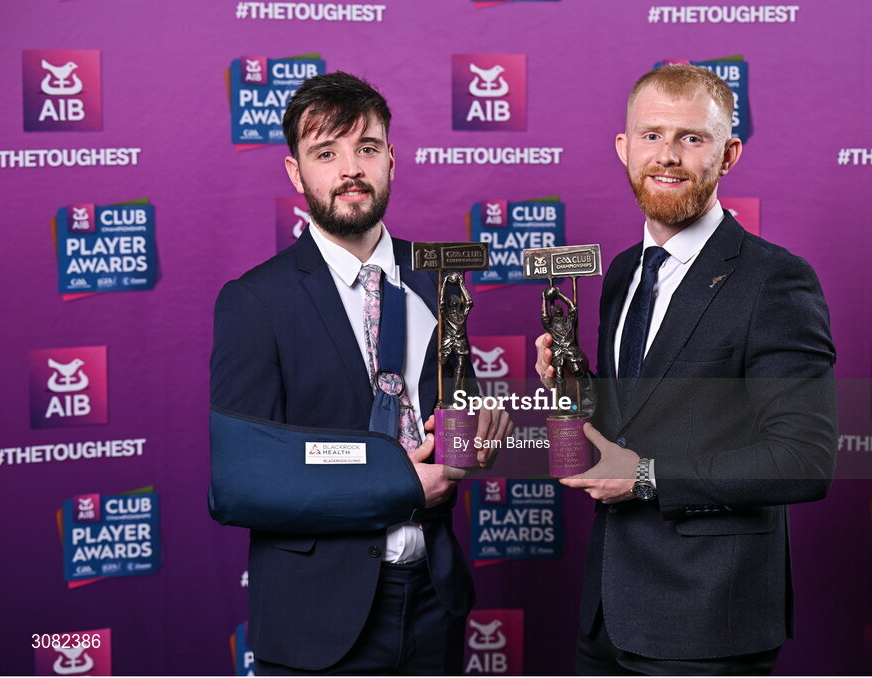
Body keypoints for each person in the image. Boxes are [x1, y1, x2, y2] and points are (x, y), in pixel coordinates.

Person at [535, 65, 837, 675]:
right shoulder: (621, 272)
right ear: (624, 149)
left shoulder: (774, 279)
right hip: (608, 609)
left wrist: (647, 476)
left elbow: (805, 460)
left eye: (691, 139)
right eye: (651, 136)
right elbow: (649, 411)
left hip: (708, 621)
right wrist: (577, 384)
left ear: (728, 155)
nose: (667, 156)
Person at [210, 72, 511, 675]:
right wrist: (398, 488)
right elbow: (238, 485)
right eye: (326, 153)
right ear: (296, 173)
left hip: (434, 602)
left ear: (391, 159)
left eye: (366, 148)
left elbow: (450, 418)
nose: (350, 169)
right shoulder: (255, 302)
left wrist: (477, 433)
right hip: (317, 618)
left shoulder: (436, 282)